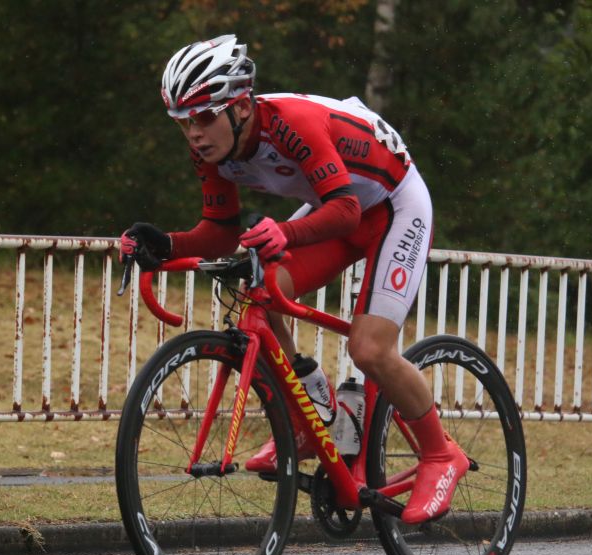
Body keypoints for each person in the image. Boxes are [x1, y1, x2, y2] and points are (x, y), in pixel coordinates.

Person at [119, 35, 468, 524]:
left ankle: (440, 454)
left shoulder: (291, 123)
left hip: (392, 205)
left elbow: (347, 210)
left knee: (370, 349)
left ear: (239, 106)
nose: (194, 134)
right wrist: (167, 245)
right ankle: (311, 415)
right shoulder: (213, 150)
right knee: (259, 285)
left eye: (202, 117)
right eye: (183, 122)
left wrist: (283, 230)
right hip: (338, 212)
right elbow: (220, 232)